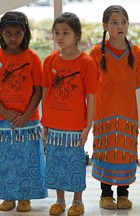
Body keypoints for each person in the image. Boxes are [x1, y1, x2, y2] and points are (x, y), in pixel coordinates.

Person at [0, 11, 48, 212]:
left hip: (28, 122)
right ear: (1, 33)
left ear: (25, 34)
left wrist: (26, 116)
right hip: (4, 121)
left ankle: (25, 197)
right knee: (5, 161)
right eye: (8, 32)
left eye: (17, 33)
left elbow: (38, 90)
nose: (12, 37)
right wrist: (5, 112)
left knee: (28, 160)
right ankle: (8, 196)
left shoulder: (33, 58)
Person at [41, 12, 98, 216]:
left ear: (77, 35)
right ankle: (59, 200)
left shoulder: (87, 63)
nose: (60, 37)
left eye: (66, 32)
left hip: (75, 125)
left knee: (74, 165)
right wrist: (44, 120)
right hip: (54, 124)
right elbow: (45, 92)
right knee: (55, 164)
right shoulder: (49, 61)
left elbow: (91, 97)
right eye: (56, 32)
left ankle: (78, 202)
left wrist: (88, 126)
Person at [90, 5, 140, 210]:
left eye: (123, 22)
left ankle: (123, 193)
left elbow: (137, 82)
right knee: (107, 151)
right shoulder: (97, 51)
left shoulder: (135, 51)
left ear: (128, 25)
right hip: (104, 112)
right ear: (105, 26)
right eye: (114, 22)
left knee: (125, 151)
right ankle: (106, 194)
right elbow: (91, 84)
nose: (120, 26)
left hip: (128, 112)